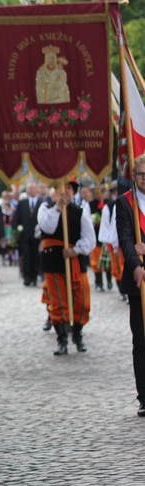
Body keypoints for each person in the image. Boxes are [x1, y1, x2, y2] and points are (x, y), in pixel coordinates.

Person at [38, 179, 95, 355]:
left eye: (69, 188)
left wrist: (76, 250)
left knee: (81, 301)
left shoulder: (80, 212)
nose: (65, 191)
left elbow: (90, 239)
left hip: (75, 261)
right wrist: (58, 208)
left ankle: (77, 335)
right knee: (58, 302)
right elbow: (47, 228)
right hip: (54, 262)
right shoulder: (46, 208)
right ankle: (61, 339)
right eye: (62, 188)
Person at [116, 156, 145, 416]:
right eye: (140, 174)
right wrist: (136, 264)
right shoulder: (125, 202)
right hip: (139, 283)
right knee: (141, 341)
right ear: (133, 176)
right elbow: (125, 237)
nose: (144, 178)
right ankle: (144, 396)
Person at [13, 183, 42, 286]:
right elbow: (16, 217)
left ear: (37, 190)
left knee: (35, 256)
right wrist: (16, 231)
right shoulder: (22, 203)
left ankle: (34, 276)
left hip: (36, 235)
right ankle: (26, 277)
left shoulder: (41, 203)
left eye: (33, 189)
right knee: (26, 256)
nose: (32, 191)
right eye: (30, 189)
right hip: (25, 235)